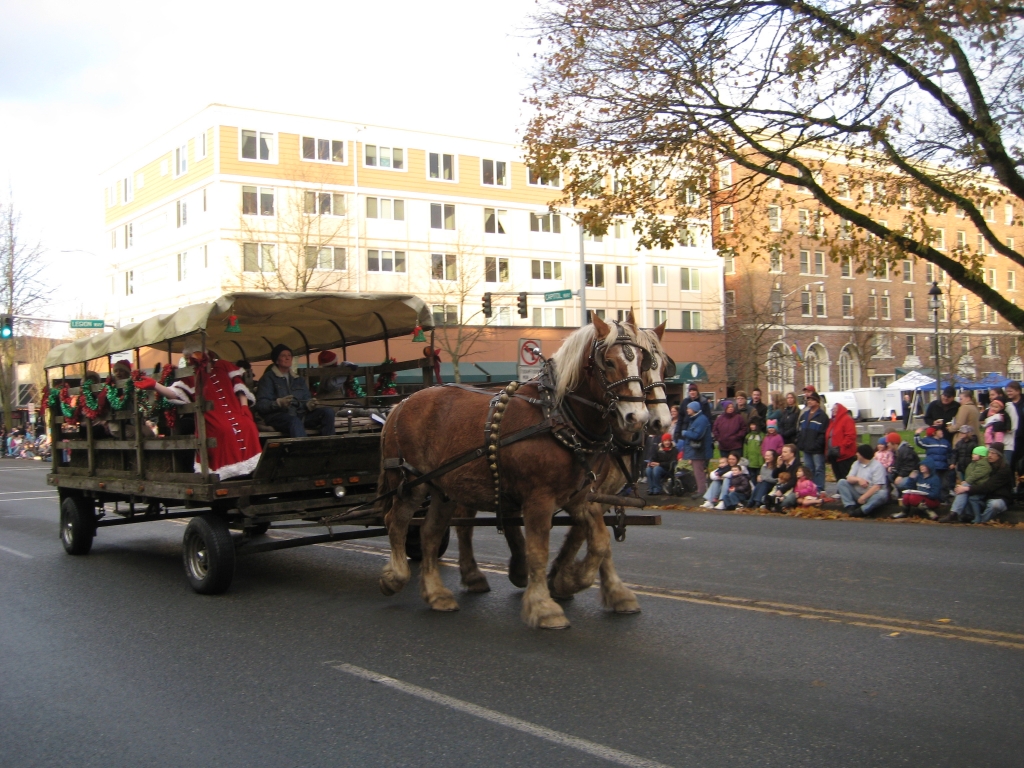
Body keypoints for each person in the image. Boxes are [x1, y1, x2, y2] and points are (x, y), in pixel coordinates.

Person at [150, 343, 263, 479]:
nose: (190, 360)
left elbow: (239, 386)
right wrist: (154, 385)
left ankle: (252, 470)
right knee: (223, 430)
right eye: (187, 358)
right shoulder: (191, 376)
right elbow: (175, 393)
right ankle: (227, 473)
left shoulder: (223, 365)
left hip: (236, 411)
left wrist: (244, 407)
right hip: (213, 417)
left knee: (248, 426)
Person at [255, 344, 336, 437]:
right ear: (277, 360)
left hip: (300, 416)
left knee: (328, 412)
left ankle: (328, 446)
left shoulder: (299, 379)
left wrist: (309, 404)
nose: (287, 358)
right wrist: (278, 403)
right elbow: (261, 405)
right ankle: (303, 450)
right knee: (294, 421)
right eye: (283, 356)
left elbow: (306, 398)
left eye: (289, 355)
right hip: (277, 417)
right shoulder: (268, 378)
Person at [941, 445, 992, 523]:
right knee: (962, 490)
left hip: (979, 487)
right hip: (972, 484)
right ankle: (957, 513)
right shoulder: (973, 464)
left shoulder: (984, 465)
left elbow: (975, 475)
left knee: (962, 489)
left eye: (975, 454)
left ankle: (954, 513)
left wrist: (965, 483)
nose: (973, 455)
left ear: (981, 456)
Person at [963, 446, 1014, 523]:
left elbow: (987, 487)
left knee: (994, 505)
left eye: (993, 453)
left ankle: (982, 520)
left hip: (1000, 498)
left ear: (999, 456)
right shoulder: (986, 466)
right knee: (969, 497)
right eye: (989, 452)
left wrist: (968, 488)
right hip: (985, 498)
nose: (990, 455)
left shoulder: (1004, 469)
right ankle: (968, 516)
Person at [837, 444, 888, 517]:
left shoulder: (878, 466)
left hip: (871, 495)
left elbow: (877, 486)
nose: (856, 454)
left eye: (858, 453)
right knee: (842, 482)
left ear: (863, 455)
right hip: (857, 493)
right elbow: (849, 478)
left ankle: (862, 511)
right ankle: (850, 506)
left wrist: (863, 497)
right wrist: (858, 479)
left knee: (882, 494)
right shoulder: (856, 463)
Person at [796, 392, 830, 492]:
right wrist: (800, 442)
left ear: (817, 402)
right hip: (806, 448)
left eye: (812, 400)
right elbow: (800, 430)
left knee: (819, 468)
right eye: (808, 400)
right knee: (808, 469)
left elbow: (823, 433)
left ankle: (819, 489)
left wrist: (816, 444)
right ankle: (809, 488)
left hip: (817, 449)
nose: (810, 401)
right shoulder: (804, 415)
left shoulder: (822, 416)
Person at [678, 400, 712, 496]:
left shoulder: (701, 420)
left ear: (694, 409)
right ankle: (700, 490)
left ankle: (701, 491)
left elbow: (697, 435)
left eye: (689, 408)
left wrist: (685, 433)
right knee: (697, 471)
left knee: (699, 472)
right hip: (696, 450)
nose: (687, 410)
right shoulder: (695, 419)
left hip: (700, 451)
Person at [825, 402, 857, 482]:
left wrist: (842, 447)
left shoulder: (847, 419)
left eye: (836, 409)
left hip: (844, 454)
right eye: (832, 409)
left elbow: (850, 436)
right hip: (833, 453)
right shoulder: (832, 422)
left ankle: (847, 491)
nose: (834, 411)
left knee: (845, 474)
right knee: (837, 474)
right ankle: (840, 490)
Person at [769, 444, 802, 512]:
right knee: (764, 498)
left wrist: (781, 490)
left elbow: (793, 481)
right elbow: (774, 476)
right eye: (782, 452)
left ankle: (776, 506)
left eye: (785, 452)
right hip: (780, 488)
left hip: (792, 491)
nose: (782, 454)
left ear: (792, 454)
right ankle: (773, 504)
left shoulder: (797, 466)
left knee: (789, 499)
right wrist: (778, 466)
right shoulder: (783, 464)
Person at [1001, 381, 1021, 470]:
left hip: (1021, 436)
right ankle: (1012, 482)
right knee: (1010, 464)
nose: (1008, 393)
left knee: (1021, 463)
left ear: (1018, 391)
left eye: (1011, 391)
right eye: (1007, 391)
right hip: (1010, 437)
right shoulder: (1006, 404)